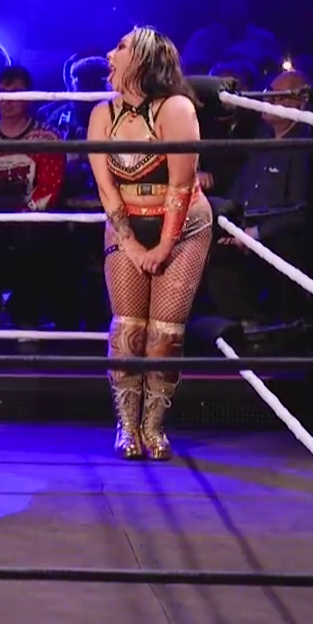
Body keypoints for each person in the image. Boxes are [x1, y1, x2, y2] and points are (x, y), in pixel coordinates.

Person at [87, 27, 214, 460]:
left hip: (183, 226)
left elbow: (181, 184)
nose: (110, 54)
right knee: (127, 328)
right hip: (128, 224)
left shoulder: (176, 108)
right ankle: (126, 426)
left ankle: (154, 426)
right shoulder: (103, 114)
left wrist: (162, 246)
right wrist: (132, 244)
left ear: (143, 59)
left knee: (164, 332)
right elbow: (106, 189)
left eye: (121, 47)